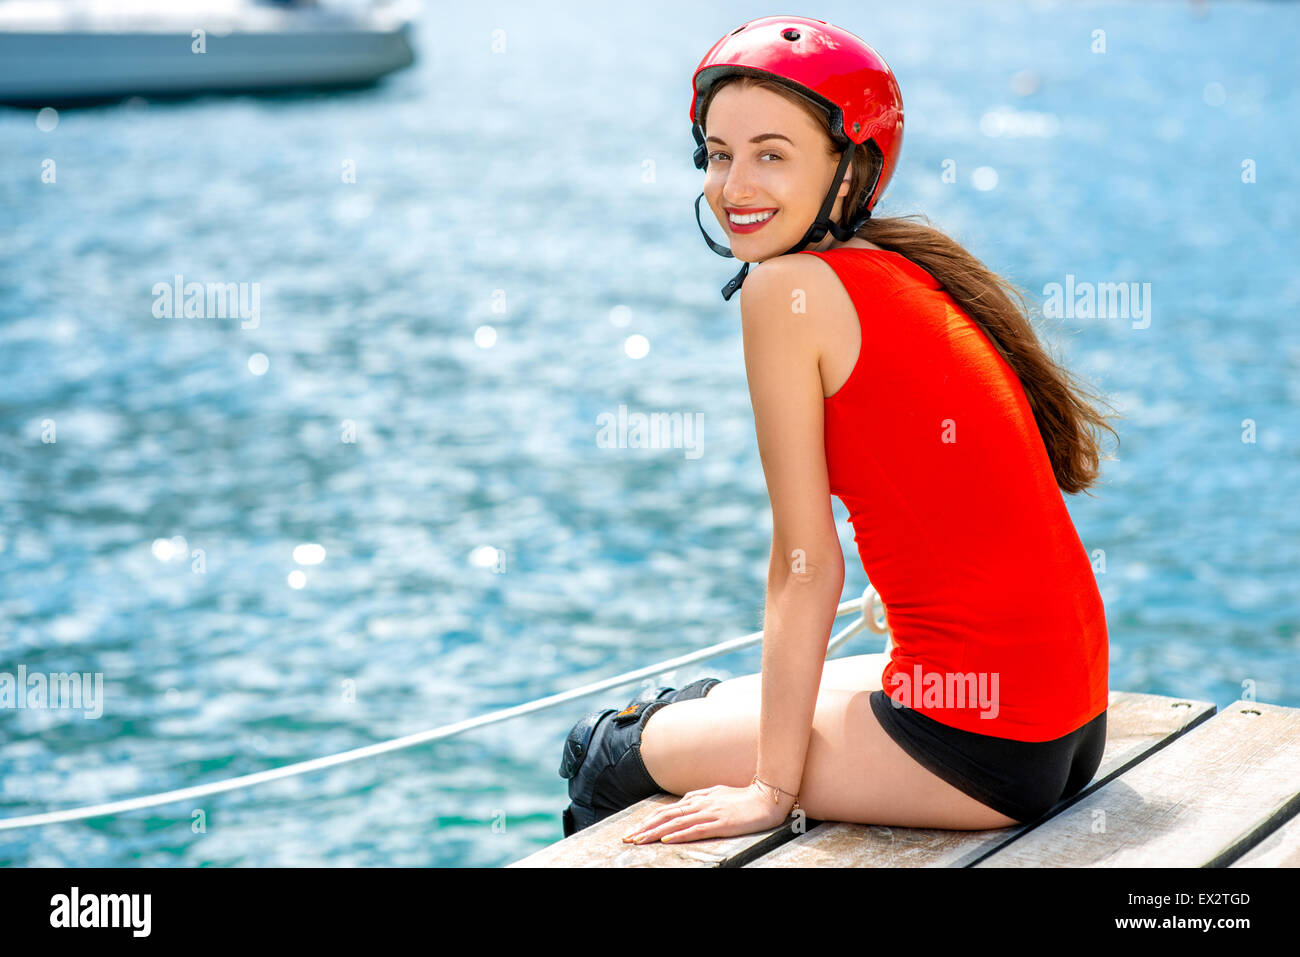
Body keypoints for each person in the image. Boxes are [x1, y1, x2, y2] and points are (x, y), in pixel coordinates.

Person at [559, 15, 1121, 843]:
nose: (734, 185)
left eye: (772, 154)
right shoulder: (905, 266)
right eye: (719, 153)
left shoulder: (782, 291)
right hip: (1067, 725)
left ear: (850, 167)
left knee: (603, 751)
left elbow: (803, 565)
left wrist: (770, 789)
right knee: (690, 705)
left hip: (975, 746)